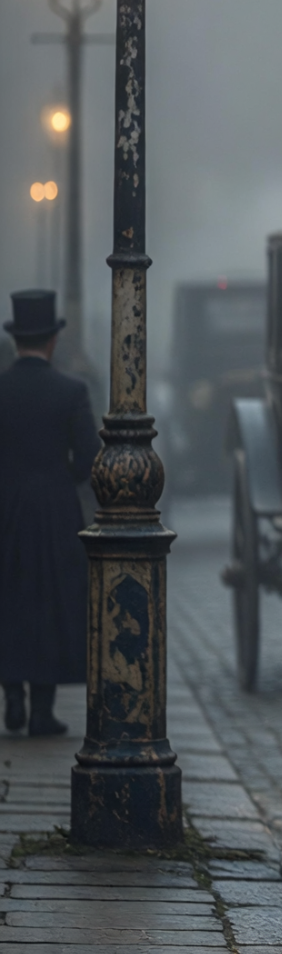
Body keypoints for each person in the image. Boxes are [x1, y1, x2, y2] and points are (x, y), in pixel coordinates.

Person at [0, 288, 99, 737]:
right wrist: (65, 479)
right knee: (49, 602)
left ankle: (12, 697)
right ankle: (42, 709)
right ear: (53, 341)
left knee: (8, 598)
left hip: (4, 505)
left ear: (17, 339)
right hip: (55, 510)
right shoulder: (71, 391)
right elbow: (88, 457)